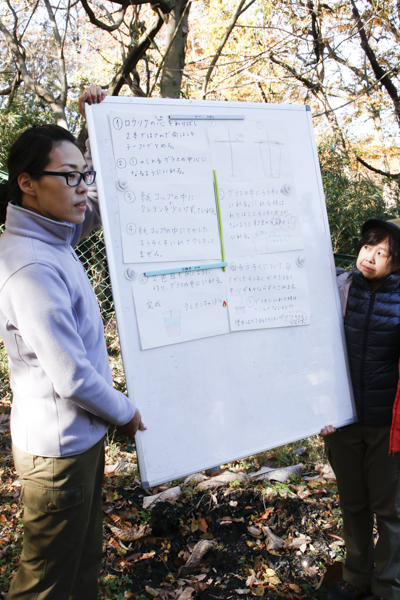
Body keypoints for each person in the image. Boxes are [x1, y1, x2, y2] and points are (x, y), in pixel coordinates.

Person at [0, 85, 146, 600]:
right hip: (58, 452)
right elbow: (73, 375)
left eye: (85, 174)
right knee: (44, 580)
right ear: (28, 184)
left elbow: (98, 205)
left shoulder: (50, 234)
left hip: (75, 440)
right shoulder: (33, 265)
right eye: (70, 176)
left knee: (81, 563)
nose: (84, 187)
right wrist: (126, 412)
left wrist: (96, 124)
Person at [321, 218, 400, 600]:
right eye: (368, 246)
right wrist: (318, 408)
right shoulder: (339, 289)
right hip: (344, 421)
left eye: (382, 252)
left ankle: (388, 588)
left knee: (389, 513)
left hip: (388, 425)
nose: (370, 256)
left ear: (396, 263)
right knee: (353, 504)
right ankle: (355, 579)